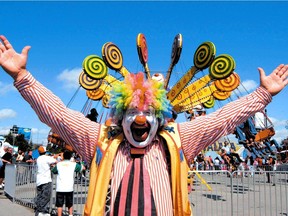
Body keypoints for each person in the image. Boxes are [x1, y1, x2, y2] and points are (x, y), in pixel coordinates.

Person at [0, 35, 287, 215]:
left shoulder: (178, 140)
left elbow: (222, 119)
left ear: (160, 116)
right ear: (119, 114)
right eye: (132, 111)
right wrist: (23, 78)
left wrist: (263, 95)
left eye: (148, 111)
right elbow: (59, 116)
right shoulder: (101, 140)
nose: (139, 119)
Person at [51, 151, 83, 216]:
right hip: (69, 187)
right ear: (70, 157)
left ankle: (59, 215)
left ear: (63, 156)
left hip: (60, 187)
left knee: (59, 204)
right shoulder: (73, 164)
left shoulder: (59, 164)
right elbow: (81, 168)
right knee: (69, 203)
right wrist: (81, 161)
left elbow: (53, 171)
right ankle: (70, 214)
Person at [35, 146, 57, 216]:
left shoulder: (38, 159)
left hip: (39, 180)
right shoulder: (46, 158)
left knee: (40, 196)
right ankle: (41, 212)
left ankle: (40, 210)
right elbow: (55, 161)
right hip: (46, 180)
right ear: (45, 151)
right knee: (46, 196)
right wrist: (56, 156)